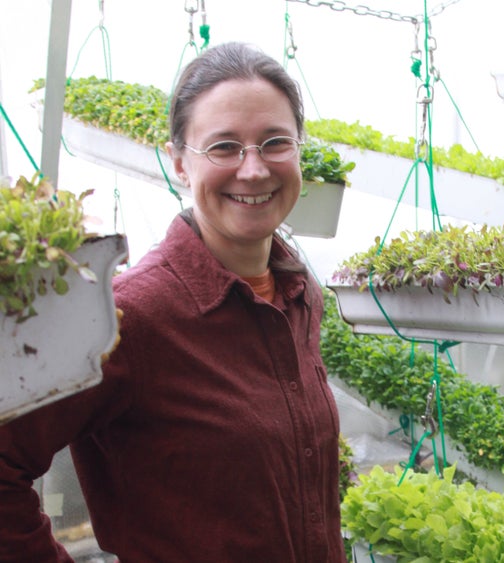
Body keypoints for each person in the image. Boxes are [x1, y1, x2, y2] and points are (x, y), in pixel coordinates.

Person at [0, 42, 346, 562]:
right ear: (180, 163)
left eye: (275, 142)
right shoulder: (128, 318)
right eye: (224, 147)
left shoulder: (298, 293)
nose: (253, 170)